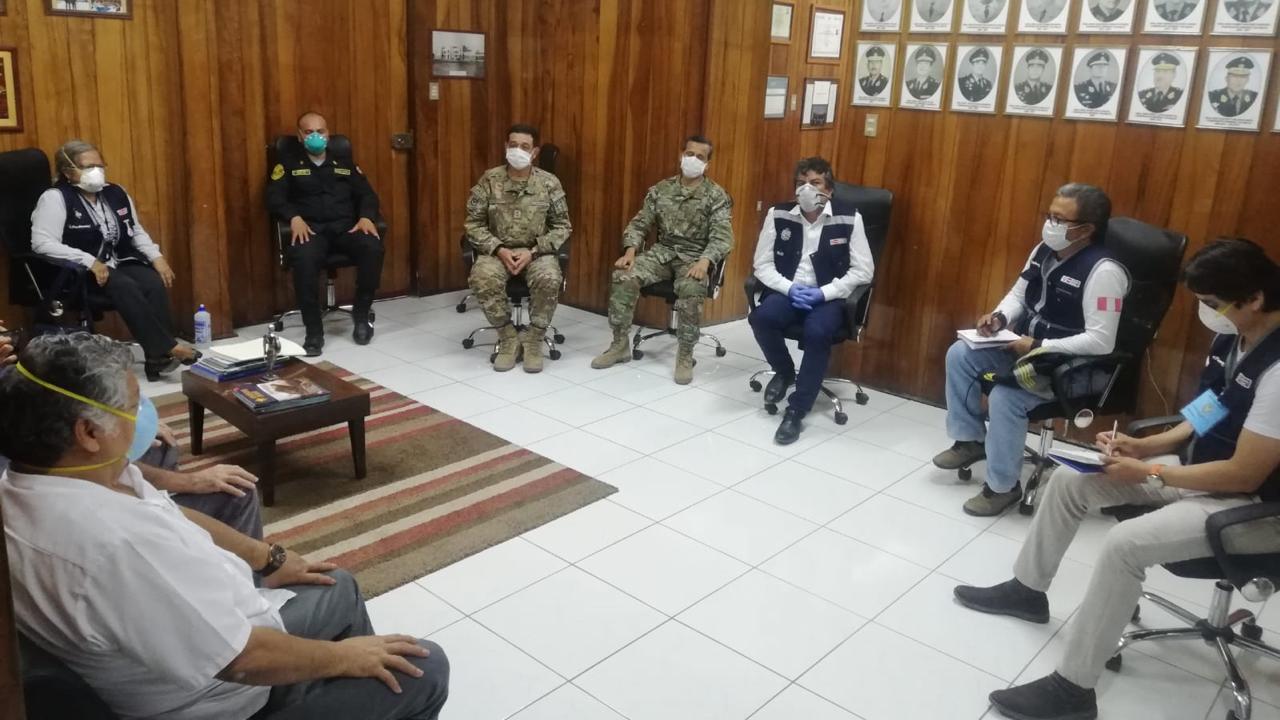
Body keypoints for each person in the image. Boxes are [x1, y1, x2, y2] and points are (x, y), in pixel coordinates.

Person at [0, 332, 450, 720]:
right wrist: (344, 659)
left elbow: (166, 510)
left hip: (225, 633)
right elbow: (241, 659)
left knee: (336, 584)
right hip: (221, 699)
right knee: (424, 667)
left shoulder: (52, 478)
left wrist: (267, 557)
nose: (143, 420)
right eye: (133, 409)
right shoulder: (115, 545)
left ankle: (322, 691)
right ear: (88, 433)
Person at [955, 238, 1280, 720]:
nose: (1206, 314)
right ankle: (1027, 590)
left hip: (1254, 506)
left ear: (1254, 299)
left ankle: (1073, 691)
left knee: (1124, 544)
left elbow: (1244, 472)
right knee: (1069, 482)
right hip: (1203, 476)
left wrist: (1148, 471)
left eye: (1214, 304)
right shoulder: (1234, 339)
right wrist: (1145, 447)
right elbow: (1207, 411)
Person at [932, 183, 1130, 516]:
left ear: (1086, 229)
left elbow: (1101, 341)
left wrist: (1039, 345)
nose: (1050, 224)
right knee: (960, 354)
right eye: (1049, 215)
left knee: (1005, 396)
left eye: (1060, 219)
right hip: (1031, 352)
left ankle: (1003, 487)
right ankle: (970, 440)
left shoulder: (1104, 272)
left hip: (1074, 367)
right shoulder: (1043, 250)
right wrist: (999, 317)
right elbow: (1019, 295)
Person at [30, 140, 200, 381]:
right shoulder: (55, 198)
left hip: (118, 261)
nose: (96, 172)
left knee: (152, 281)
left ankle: (156, 359)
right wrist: (89, 261)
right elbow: (42, 243)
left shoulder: (116, 193)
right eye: (88, 167)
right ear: (68, 172)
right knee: (124, 285)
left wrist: (156, 257)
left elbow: (135, 231)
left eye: (99, 165)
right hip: (78, 274)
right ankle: (167, 349)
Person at [749, 157, 875, 445]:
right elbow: (762, 264)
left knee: (817, 332)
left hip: (828, 296)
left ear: (828, 189)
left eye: (815, 183)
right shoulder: (778, 214)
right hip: (789, 290)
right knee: (762, 318)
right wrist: (789, 289)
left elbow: (864, 270)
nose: (807, 189)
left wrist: (824, 293)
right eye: (801, 183)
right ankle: (783, 372)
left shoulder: (849, 217)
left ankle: (796, 409)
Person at [590, 136, 733, 384]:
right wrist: (630, 250)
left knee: (691, 287)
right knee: (624, 276)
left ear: (708, 164)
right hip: (662, 252)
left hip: (694, 257)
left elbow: (722, 238)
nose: (693, 160)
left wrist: (705, 262)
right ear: (681, 155)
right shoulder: (660, 190)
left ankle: (685, 356)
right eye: (689, 154)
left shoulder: (716, 196)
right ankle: (619, 344)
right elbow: (640, 223)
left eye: (700, 157)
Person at [266, 111, 385, 357]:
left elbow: (367, 194)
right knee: (305, 259)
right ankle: (314, 331)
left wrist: (366, 216)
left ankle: (362, 317)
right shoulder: (287, 164)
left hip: (345, 228)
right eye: (309, 132)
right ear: (300, 136)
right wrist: (294, 217)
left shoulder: (344, 163)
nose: (315, 137)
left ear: (328, 135)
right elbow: (273, 197)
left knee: (372, 246)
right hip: (310, 231)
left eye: (320, 131)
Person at [465, 123, 572, 373]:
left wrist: (533, 251)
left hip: (536, 253)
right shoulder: (490, 179)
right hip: (497, 252)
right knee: (482, 277)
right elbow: (472, 224)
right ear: (505, 147)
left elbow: (563, 227)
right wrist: (498, 249)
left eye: (525, 147)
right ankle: (508, 338)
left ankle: (534, 340)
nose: (518, 151)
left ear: (534, 152)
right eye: (513, 145)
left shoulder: (549, 183)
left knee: (549, 277)